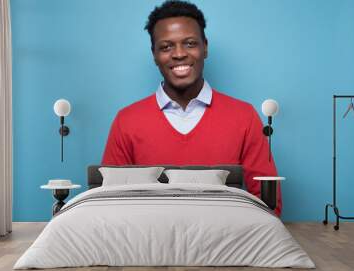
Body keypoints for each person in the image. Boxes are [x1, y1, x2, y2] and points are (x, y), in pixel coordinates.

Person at [101, 0, 282, 216]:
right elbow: (108, 203)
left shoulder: (244, 116)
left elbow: (269, 204)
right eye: (166, 46)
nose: (179, 54)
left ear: (205, 47)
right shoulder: (126, 120)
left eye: (189, 43)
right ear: (154, 54)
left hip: (226, 243)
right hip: (148, 243)